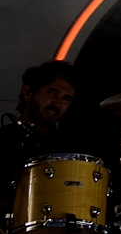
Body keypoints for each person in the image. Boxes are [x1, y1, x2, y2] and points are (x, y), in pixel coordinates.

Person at [0, 60, 79, 188]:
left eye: (66, 99)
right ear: (28, 92)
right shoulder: (3, 139)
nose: (58, 103)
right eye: (52, 93)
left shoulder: (70, 149)